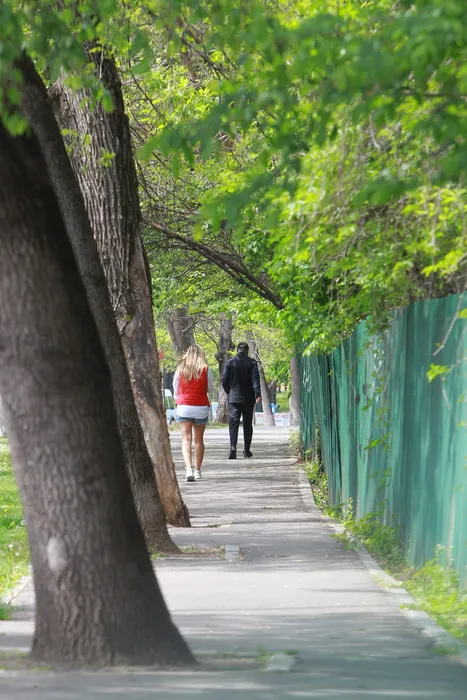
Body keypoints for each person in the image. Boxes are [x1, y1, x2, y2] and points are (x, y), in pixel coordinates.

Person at [173, 344, 213, 482]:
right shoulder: (206, 369)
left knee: (186, 440)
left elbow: (176, 388)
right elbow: (210, 388)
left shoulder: (181, 369)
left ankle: (188, 469)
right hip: (200, 406)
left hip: (184, 406)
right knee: (198, 440)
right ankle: (197, 471)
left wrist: (179, 398)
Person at [222, 342, 261, 459]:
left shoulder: (230, 362)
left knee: (233, 422)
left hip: (234, 398)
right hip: (248, 398)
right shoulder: (252, 363)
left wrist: (229, 391)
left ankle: (233, 447)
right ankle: (246, 450)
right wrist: (257, 393)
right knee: (247, 423)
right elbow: (255, 379)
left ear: (237, 350)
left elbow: (224, 380)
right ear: (247, 351)